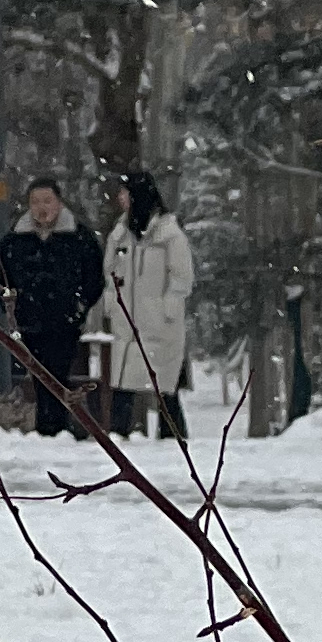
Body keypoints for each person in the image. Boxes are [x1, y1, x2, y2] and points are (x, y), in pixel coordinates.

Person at [0, 176, 106, 435]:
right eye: (35, 201)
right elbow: (1, 280)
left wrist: (79, 306)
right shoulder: (14, 240)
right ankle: (41, 429)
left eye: (47, 200)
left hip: (65, 322)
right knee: (34, 376)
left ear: (59, 203)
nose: (41, 207)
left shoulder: (79, 237)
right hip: (27, 322)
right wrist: (12, 310)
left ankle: (55, 429)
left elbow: (94, 278)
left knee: (56, 374)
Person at [98, 167, 194, 443]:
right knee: (123, 381)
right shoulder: (119, 234)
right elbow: (110, 272)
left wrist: (168, 307)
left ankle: (173, 438)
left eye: (125, 193)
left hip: (160, 323)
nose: (120, 198)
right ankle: (118, 437)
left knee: (165, 385)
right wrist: (112, 304)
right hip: (127, 320)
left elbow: (182, 276)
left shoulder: (170, 236)